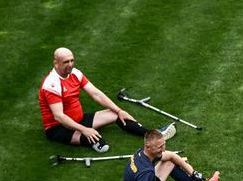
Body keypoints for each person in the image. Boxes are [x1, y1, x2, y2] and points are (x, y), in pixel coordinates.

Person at [40, 47, 176, 153]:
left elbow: (96, 94)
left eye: (72, 60)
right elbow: (59, 116)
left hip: (79, 119)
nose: (70, 64)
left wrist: (119, 110)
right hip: (59, 128)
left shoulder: (75, 73)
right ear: (56, 63)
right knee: (101, 144)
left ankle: (154, 135)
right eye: (66, 62)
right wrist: (84, 129)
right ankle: (88, 138)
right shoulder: (52, 84)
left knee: (117, 114)